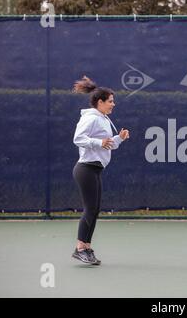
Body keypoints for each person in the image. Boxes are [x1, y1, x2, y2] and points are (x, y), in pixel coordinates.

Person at [71, 76, 130, 265]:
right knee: (90, 209)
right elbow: (78, 138)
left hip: (95, 170)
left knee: (94, 210)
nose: (114, 104)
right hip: (85, 169)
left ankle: (86, 247)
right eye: (111, 101)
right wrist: (99, 142)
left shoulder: (104, 119)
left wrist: (119, 138)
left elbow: (108, 145)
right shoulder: (90, 118)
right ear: (100, 102)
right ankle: (80, 248)